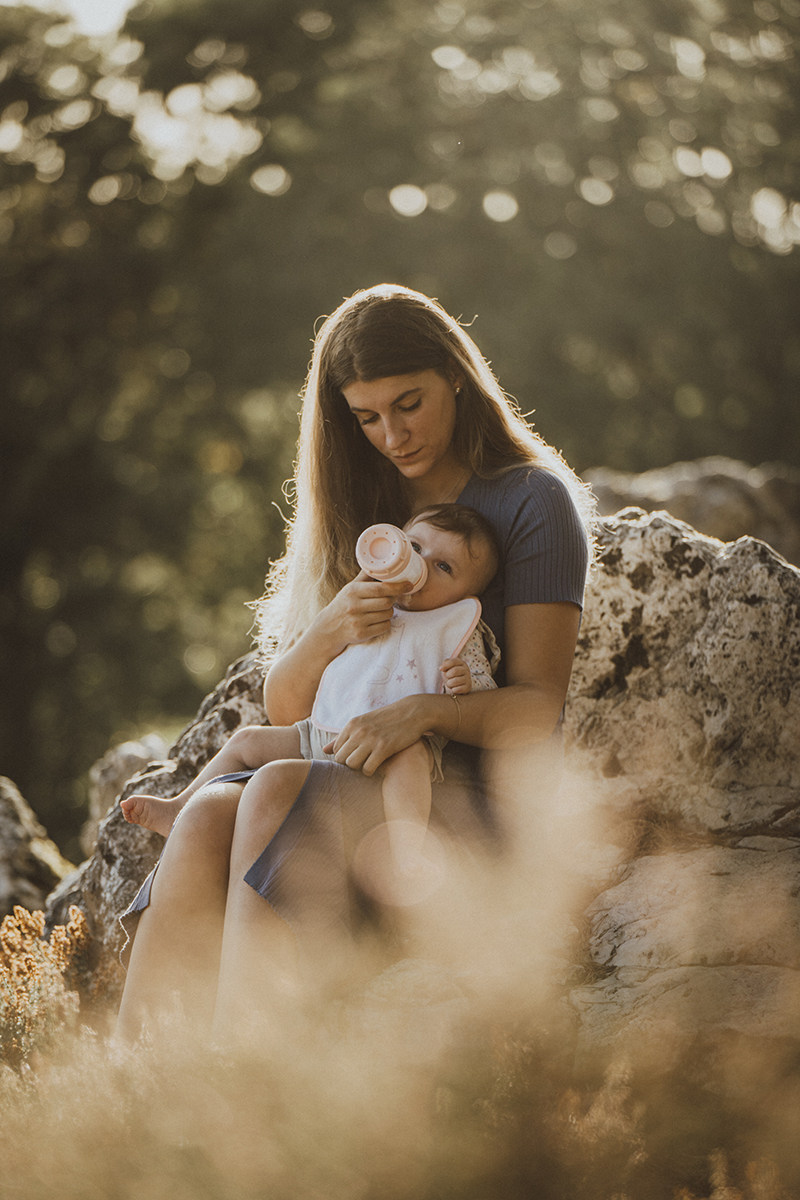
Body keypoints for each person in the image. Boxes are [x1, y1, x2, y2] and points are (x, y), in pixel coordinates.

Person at [115, 283, 593, 1044]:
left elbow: (537, 709)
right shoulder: (360, 501)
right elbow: (289, 711)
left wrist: (424, 712)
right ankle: (133, 1089)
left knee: (273, 788)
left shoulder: (534, 502)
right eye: (367, 417)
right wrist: (332, 625)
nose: (393, 436)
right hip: (346, 760)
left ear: (457, 378)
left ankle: (241, 1070)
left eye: (409, 403)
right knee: (206, 812)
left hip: (458, 797)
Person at [120, 503, 501, 888]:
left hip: (394, 747)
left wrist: (463, 682)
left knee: (413, 763)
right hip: (323, 734)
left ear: (468, 595)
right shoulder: (366, 604)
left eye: (445, 567)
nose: (422, 566)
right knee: (248, 740)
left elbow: (484, 696)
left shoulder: (458, 629)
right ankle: (179, 808)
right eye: (415, 548)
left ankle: (406, 852)